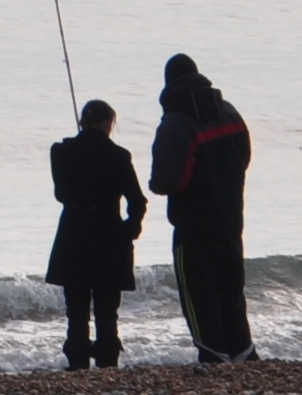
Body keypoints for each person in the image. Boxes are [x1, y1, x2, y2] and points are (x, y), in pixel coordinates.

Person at [148, 53, 258, 363]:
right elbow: (244, 157)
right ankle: (243, 356)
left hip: (193, 227)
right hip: (231, 220)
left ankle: (213, 356)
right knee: (232, 295)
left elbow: (169, 181)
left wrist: (155, 184)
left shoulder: (176, 121)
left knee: (199, 299)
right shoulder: (229, 111)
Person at [44, 99, 148, 368]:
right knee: (107, 311)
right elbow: (137, 201)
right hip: (109, 239)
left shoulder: (61, 152)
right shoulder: (119, 156)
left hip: (74, 236)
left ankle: (78, 364)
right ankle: (107, 365)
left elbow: (61, 194)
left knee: (76, 310)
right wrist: (130, 229)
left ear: (82, 122)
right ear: (107, 123)